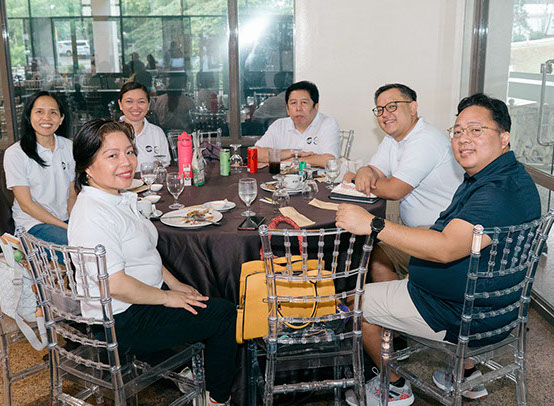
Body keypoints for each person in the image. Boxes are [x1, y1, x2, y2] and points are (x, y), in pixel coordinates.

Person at [336, 94, 541, 406]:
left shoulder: (495, 193)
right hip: (492, 303)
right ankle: (463, 373)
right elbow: (452, 235)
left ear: (504, 138)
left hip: (456, 312)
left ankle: (394, 387)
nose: (463, 139)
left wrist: (373, 224)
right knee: (384, 253)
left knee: (352, 303)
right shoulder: (506, 176)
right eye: (457, 131)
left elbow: (445, 249)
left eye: (476, 130)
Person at [68, 119, 237, 406]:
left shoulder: (118, 198)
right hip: (121, 318)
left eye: (129, 152)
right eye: (112, 155)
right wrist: (167, 297)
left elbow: (144, 252)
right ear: (87, 167)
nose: (126, 162)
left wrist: (175, 283)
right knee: (223, 315)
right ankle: (217, 400)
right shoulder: (93, 215)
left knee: (203, 290)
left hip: (141, 297)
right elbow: (115, 285)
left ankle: (186, 369)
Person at [344, 83, 464, 282]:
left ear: (412, 107)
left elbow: (395, 190)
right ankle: (395, 294)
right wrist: (364, 170)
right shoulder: (393, 139)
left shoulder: (425, 140)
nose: (385, 114)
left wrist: (356, 178)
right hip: (416, 229)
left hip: (440, 232)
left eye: (392, 106)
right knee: (372, 254)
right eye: (380, 110)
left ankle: (400, 296)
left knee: (371, 253)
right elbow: (374, 170)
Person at [3, 90, 76, 245]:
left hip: (65, 220)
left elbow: (72, 194)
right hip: (33, 224)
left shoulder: (69, 147)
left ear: (61, 118)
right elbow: (27, 205)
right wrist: (66, 227)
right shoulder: (16, 153)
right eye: (39, 112)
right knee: (74, 246)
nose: (46, 118)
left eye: (53, 112)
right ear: (29, 117)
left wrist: (74, 222)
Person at [255, 80, 340, 168]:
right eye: (293, 103)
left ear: (316, 107)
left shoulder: (328, 123)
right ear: (287, 109)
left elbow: (329, 160)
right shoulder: (279, 125)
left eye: (304, 102)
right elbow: (256, 154)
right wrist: (291, 153)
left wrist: (286, 161)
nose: (298, 108)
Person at [118, 81, 170, 168]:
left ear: (148, 105)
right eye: (129, 101)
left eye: (141, 102)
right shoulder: (111, 134)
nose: (135, 107)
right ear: (120, 104)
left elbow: (164, 166)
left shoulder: (157, 133)